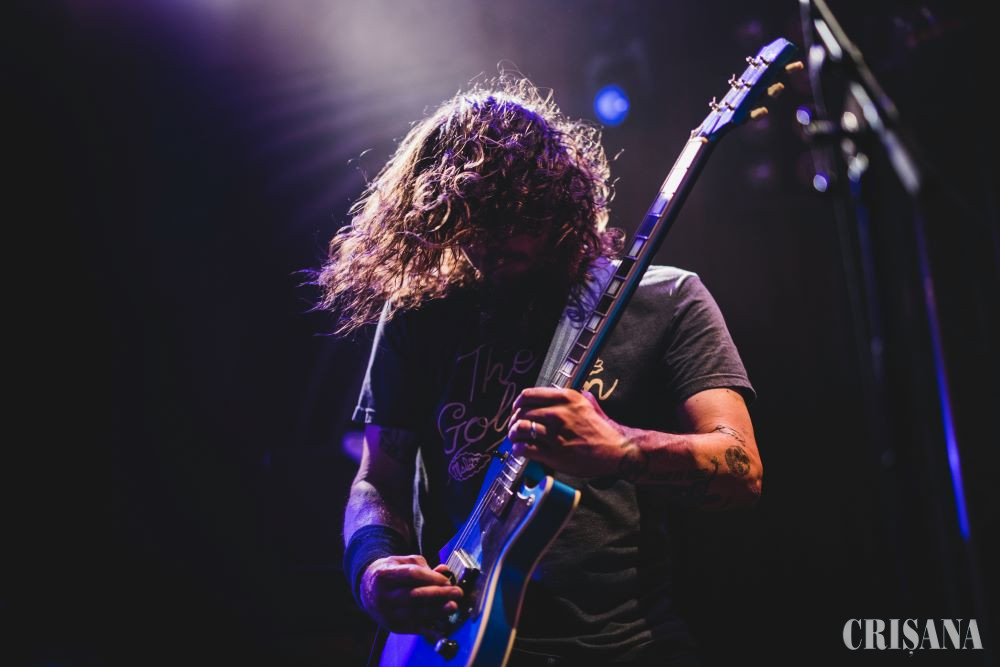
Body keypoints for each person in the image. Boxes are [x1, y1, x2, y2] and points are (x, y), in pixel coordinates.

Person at [318, 77, 762, 666]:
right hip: (451, 641)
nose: (489, 241)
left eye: (510, 215)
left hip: (624, 646)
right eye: (468, 220)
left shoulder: (667, 298)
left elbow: (740, 468)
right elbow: (379, 475)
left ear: (557, 201)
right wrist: (372, 567)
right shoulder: (419, 312)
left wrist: (622, 448)